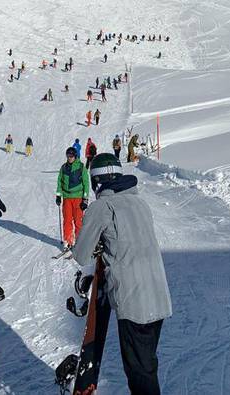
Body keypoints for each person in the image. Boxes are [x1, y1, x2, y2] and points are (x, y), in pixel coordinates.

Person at [72, 153, 172, 395]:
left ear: (96, 182)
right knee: (146, 365)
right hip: (158, 297)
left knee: (139, 374)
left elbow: (81, 255)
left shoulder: (102, 207)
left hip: (134, 303)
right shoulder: (140, 203)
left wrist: (94, 236)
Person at [55, 147, 89, 251]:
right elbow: (60, 182)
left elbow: (86, 183)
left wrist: (85, 199)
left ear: (75, 156)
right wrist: (58, 195)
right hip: (67, 198)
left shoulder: (81, 167)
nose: (69, 158)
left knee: (78, 221)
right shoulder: (63, 168)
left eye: (71, 156)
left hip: (78, 198)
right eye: (68, 156)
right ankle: (67, 241)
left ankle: (79, 242)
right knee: (67, 220)